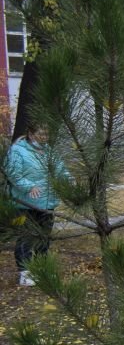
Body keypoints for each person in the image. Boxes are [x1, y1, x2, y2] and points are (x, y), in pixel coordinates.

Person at [6, 123, 69, 286]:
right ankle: (25, 272)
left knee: (44, 237)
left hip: (47, 202)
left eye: (47, 134)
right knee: (26, 237)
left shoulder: (49, 151)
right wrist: (29, 186)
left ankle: (42, 269)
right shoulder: (18, 151)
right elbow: (13, 173)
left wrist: (71, 184)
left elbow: (61, 170)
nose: (44, 137)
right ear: (31, 134)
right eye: (41, 134)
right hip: (26, 203)